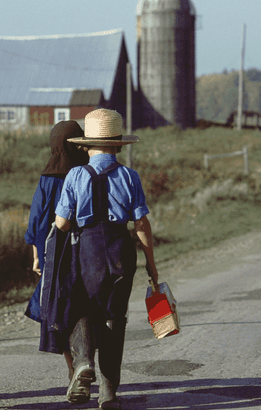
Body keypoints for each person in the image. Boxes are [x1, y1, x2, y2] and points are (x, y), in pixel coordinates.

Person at [54, 108, 158, 409]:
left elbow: (62, 224)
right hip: (121, 250)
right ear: (117, 145)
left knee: (81, 307)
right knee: (115, 319)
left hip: (88, 249)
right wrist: (152, 266)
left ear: (85, 145)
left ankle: (84, 361)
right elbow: (141, 224)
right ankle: (109, 392)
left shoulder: (75, 175)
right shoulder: (129, 176)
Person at [24, 120, 89, 379]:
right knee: (82, 303)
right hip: (82, 244)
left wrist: (36, 254)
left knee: (57, 305)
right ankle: (86, 359)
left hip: (51, 246)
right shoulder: (86, 173)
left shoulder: (47, 177)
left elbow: (37, 216)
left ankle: (72, 368)